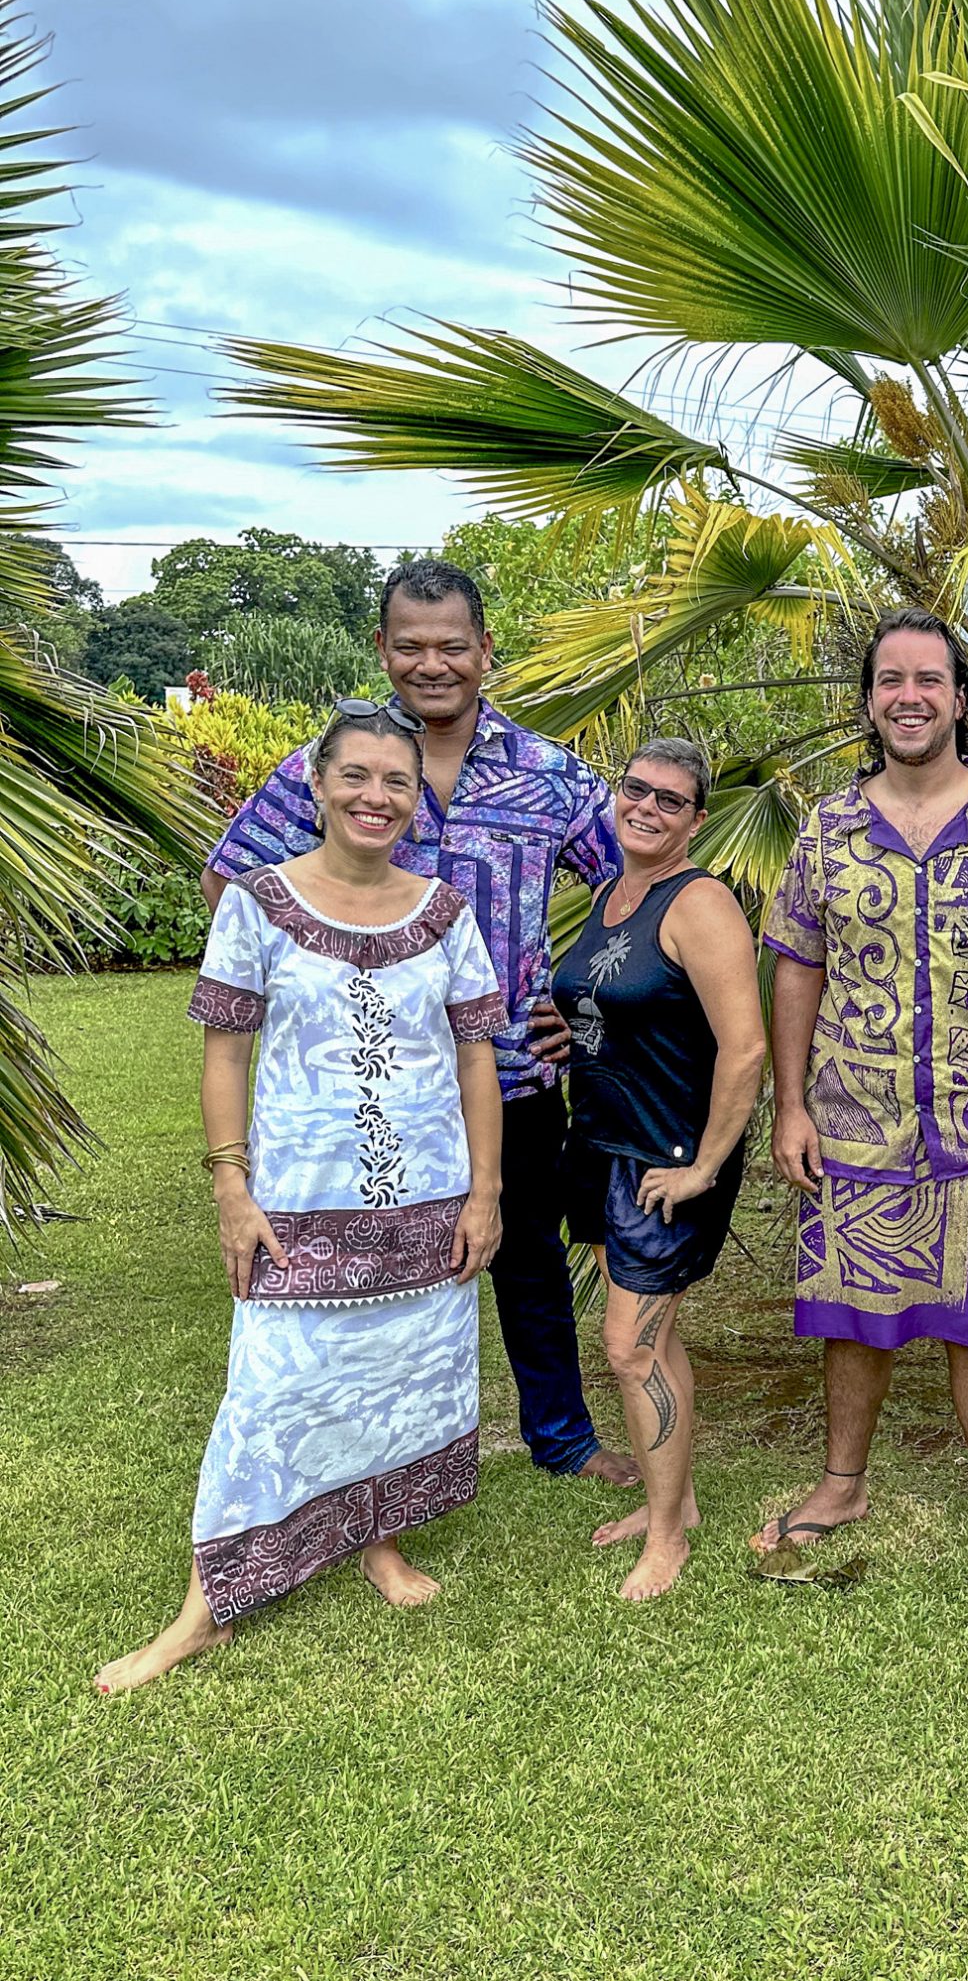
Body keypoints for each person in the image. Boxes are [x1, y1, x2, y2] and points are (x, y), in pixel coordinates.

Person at [202, 558, 636, 1492]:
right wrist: (304, 1000)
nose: (431, 664)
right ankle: (365, 1452)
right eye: (410, 646)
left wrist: (581, 995)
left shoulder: (549, 775)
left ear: (487, 651)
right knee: (361, 1275)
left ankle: (561, 1438)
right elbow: (230, 878)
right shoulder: (328, 768)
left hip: (508, 1072)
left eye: (451, 646)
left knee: (525, 1261)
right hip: (366, 1093)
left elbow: (636, 881)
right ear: (383, 649)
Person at [96, 708, 506, 1694]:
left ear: (419, 798)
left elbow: (477, 1055)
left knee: (405, 1385)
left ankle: (380, 1545)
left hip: (428, 1210)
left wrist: (486, 1192)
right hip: (296, 1213)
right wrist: (231, 1188)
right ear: (317, 787)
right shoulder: (258, 903)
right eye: (355, 777)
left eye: (397, 782)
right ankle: (204, 1611)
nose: (376, 797)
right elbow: (225, 1051)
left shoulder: (446, 911)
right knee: (268, 1398)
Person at [753, 608, 968, 1598]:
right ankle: (841, 1483)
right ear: (869, 700)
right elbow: (797, 966)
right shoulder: (828, 828)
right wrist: (790, 1105)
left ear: (960, 698)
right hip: (851, 1113)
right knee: (852, 1315)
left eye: (928, 680)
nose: (909, 697)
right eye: (890, 680)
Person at [549, 739, 765, 1602]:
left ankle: (667, 1533)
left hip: (664, 1160)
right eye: (635, 789)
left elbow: (744, 1051)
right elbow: (617, 1006)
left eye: (670, 800)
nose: (646, 806)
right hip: (597, 1145)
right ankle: (672, 1503)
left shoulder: (699, 903)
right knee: (653, 1343)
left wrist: (705, 1167)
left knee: (626, 1349)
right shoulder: (611, 894)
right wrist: (574, 1036)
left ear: (696, 820)